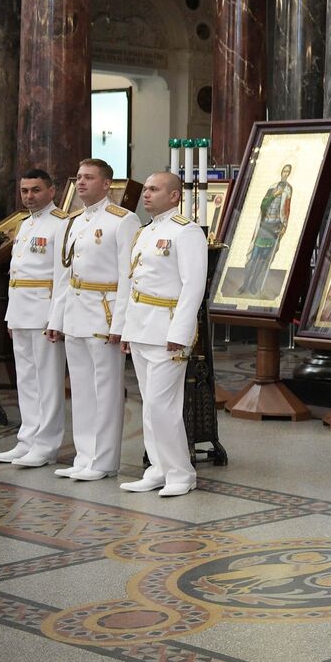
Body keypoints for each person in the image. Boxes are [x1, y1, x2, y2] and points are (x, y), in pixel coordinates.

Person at [113, 173, 208, 497]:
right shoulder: (144, 232)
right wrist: (126, 328)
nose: (146, 194)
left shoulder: (187, 232)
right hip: (141, 326)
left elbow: (193, 285)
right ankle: (158, 467)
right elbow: (133, 284)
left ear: (174, 196)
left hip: (168, 328)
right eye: (147, 189)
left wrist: (180, 331)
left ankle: (181, 472)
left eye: (154, 189)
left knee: (161, 405)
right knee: (149, 406)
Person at [46, 159, 141, 482]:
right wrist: (56, 318)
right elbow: (64, 275)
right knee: (82, 390)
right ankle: (84, 455)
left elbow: (128, 276)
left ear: (106, 184)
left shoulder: (123, 220)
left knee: (106, 390)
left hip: (104, 312)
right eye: (79, 177)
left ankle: (103, 460)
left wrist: (120, 324)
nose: (82, 183)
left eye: (89, 178)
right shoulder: (71, 221)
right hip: (75, 312)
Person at [0, 170, 69, 468]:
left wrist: (55, 318)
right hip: (22, 310)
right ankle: (28, 439)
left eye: (35, 190)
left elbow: (63, 276)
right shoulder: (25, 224)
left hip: (45, 311)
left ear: (51, 191)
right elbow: (16, 274)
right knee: (27, 379)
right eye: (24, 190)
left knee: (47, 381)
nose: (29, 196)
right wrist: (12, 316)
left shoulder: (61, 224)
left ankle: (46, 445)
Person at [239, 164, 293, 296]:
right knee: (254, 257)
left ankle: (253, 285)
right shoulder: (272, 188)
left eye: (288, 172)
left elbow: (286, 210)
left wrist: (284, 226)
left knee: (263, 260)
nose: (285, 174)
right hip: (264, 227)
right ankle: (245, 284)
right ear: (281, 172)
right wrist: (274, 195)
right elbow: (263, 206)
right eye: (284, 171)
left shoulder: (288, 190)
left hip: (274, 228)